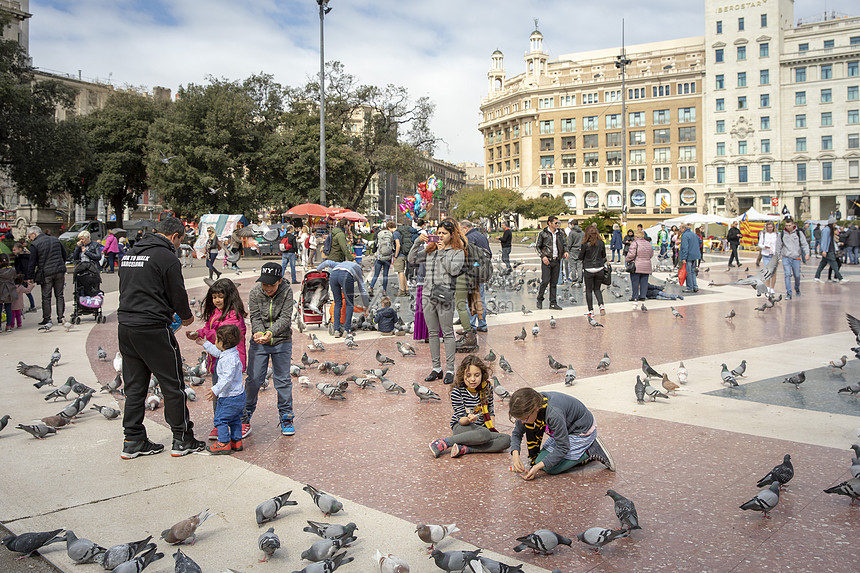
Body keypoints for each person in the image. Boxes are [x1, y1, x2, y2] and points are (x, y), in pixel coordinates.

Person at [117, 217, 202, 459]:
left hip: (126, 327)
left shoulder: (131, 254)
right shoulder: (166, 257)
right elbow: (177, 291)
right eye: (180, 241)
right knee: (172, 384)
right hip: (153, 328)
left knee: (134, 387)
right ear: (175, 236)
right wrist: (185, 317)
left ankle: (132, 439)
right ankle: (182, 438)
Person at [186, 278, 248, 439]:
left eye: (220, 296)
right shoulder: (215, 312)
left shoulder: (234, 315)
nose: (217, 300)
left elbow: (220, 334)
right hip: (217, 358)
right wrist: (199, 333)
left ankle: (241, 422)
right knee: (219, 393)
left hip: (231, 362)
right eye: (214, 297)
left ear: (229, 296)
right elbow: (209, 329)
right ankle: (219, 422)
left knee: (233, 393)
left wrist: (202, 335)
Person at [507, 387, 615, 480]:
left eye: (524, 418)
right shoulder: (532, 404)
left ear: (535, 409)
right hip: (565, 431)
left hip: (580, 431)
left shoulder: (553, 414)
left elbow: (563, 447)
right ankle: (578, 452)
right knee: (540, 460)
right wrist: (515, 456)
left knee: (551, 468)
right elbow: (517, 433)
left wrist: (537, 467)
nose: (522, 422)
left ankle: (590, 450)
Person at [408, 218, 466, 385]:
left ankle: (449, 369)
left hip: (445, 295)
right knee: (432, 332)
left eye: (444, 233)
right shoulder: (430, 249)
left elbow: (453, 270)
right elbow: (412, 259)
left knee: (447, 333)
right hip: (427, 294)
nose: (440, 236)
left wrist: (441, 253)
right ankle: (436, 368)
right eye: (438, 233)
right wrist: (417, 242)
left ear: (452, 234)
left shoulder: (457, 251)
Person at [244, 263, 296, 436]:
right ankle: (246, 414)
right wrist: (259, 333)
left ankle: (286, 416)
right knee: (254, 380)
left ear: (279, 281)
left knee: (282, 380)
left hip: (282, 340)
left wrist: (270, 333)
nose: (266, 288)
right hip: (260, 342)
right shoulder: (255, 292)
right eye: (264, 284)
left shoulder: (287, 292)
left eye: (271, 285)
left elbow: (286, 318)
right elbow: (255, 317)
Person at [428, 355, 511, 458]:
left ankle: (465, 449)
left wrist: (492, 430)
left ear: (482, 374)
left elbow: (490, 412)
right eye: (468, 375)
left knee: (506, 440)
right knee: (484, 434)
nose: (472, 379)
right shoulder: (457, 391)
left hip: (482, 429)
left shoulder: (487, 387)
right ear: (463, 375)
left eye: (477, 375)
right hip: (461, 427)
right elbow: (461, 420)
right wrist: (469, 419)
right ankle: (443, 443)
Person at [195, 324, 246, 455]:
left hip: (230, 397)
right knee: (235, 419)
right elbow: (218, 352)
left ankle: (223, 443)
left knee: (220, 419)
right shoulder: (231, 352)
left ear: (223, 343)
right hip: (238, 396)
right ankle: (236, 441)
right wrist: (205, 343)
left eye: (217, 339)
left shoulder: (228, 359)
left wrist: (215, 390)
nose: (215, 342)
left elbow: (226, 379)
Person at [26, 225, 68, 328]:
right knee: (59, 295)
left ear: (34, 234)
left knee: (46, 297)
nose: (29, 239)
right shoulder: (55, 240)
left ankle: (47, 318)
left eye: (29, 236)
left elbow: (32, 262)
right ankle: (60, 317)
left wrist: (30, 277)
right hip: (59, 270)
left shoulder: (35, 244)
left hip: (46, 273)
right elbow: (64, 254)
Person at [317, 258, 370, 338]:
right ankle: (347, 330)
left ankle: (336, 331)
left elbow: (327, 262)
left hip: (333, 276)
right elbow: (362, 289)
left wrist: (319, 269)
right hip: (346, 276)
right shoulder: (358, 269)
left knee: (338, 303)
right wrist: (366, 306)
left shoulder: (340, 264)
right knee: (349, 304)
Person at [462, 220, 490, 341]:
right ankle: (482, 324)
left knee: (471, 299)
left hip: (472, 272)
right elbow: (489, 254)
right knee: (480, 298)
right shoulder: (482, 236)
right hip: (482, 271)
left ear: (465, 228)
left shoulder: (468, 238)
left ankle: (471, 326)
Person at [534, 216, 567, 311]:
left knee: (554, 282)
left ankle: (553, 303)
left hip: (557, 260)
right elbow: (537, 247)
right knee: (545, 280)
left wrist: (566, 251)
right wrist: (543, 256)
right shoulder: (543, 233)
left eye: (558, 223)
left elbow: (564, 244)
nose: (557, 224)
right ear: (549, 223)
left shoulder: (560, 233)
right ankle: (540, 299)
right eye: (555, 223)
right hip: (547, 260)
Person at [774, 218, 810, 299]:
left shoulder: (798, 233)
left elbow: (804, 244)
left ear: (793, 225)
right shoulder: (782, 234)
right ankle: (789, 293)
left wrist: (807, 253)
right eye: (786, 225)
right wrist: (777, 257)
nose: (788, 227)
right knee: (787, 274)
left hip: (796, 258)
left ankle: (797, 288)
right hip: (786, 258)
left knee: (797, 275)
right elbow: (778, 246)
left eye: (789, 225)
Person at [579, 224, 606, 317]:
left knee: (589, 290)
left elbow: (580, 257)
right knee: (597, 289)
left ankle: (591, 311)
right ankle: (601, 306)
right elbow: (603, 255)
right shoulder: (601, 243)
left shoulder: (585, 244)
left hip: (589, 268)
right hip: (599, 268)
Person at [626, 229, 654, 309]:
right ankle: (643, 296)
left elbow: (631, 254)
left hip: (637, 265)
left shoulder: (635, 243)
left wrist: (627, 260)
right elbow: (651, 254)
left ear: (636, 236)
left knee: (635, 281)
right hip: (647, 265)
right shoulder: (648, 244)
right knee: (644, 282)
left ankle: (635, 296)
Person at [369, 221, 396, 297]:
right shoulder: (391, 235)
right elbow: (393, 246)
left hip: (379, 257)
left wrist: (373, 252)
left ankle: (371, 287)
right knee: (385, 275)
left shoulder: (379, 234)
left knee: (376, 274)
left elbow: (375, 245)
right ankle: (384, 290)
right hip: (387, 258)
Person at [11, 242, 36, 313]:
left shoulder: (22, 258)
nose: (13, 251)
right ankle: (31, 305)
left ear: (20, 249)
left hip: (23, 277)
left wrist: (25, 277)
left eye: (15, 250)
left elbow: (25, 268)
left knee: (22, 292)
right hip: (22, 276)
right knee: (26, 292)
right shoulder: (20, 257)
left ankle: (21, 308)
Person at [678, 223, 701, 293]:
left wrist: (684, 257)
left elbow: (685, 247)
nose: (679, 230)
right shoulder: (693, 234)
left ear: (683, 228)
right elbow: (700, 241)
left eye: (680, 228)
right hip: (695, 255)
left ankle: (690, 287)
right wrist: (695, 248)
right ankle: (695, 286)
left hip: (689, 256)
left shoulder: (684, 235)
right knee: (693, 272)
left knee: (688, 272)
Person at [758, 221, 779, 294]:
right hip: (766, 254)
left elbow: (779, 244)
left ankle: (772, 287)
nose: (770, 229)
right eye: (769, 227)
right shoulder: (763, 234)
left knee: (774, 272)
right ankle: (767, 286)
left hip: (774, 255)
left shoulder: (777, 234)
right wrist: (764, 247)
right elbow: (759, 244)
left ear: (774, 227)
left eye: (771, 227)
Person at [394, 222, 414, 296]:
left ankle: (402, 291)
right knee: (403, 272)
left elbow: (398, 245)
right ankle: (406, 290)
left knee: (400, 272)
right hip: (405, 253)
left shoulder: (395, 233)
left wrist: (395, 255)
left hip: (399, 255)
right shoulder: (402, 232)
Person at [0, 254, 15, 331]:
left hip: (1, 291)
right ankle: (9, 325)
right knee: (8, 309)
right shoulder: (12, 270)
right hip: (10, 291)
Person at [566, 220, 584, 285]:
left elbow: (569, 243)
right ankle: (580, 280)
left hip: (573, 250)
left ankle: (574, 279)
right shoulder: (582, 233)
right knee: (579, 266)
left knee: (573, 266)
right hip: (580, 250)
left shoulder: (572, 233)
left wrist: (567, 250)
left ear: (572, 225)